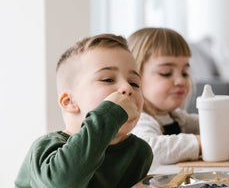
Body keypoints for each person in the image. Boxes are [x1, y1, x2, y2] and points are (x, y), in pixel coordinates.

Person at [15, 34, 153, 188]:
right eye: (107, 79)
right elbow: (62, 184)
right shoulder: (46, 148)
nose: (127, 88)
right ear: (69, 102)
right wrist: (110, 114)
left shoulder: (139, 153)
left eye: (134, 83)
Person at [127, 27, 229, 167]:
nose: (181, 80)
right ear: (134, 79)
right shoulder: (136, 119)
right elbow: (148, 148)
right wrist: (212, 140)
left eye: (185, 73)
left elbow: (207, 123)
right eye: (166, 72)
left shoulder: (175, 117)